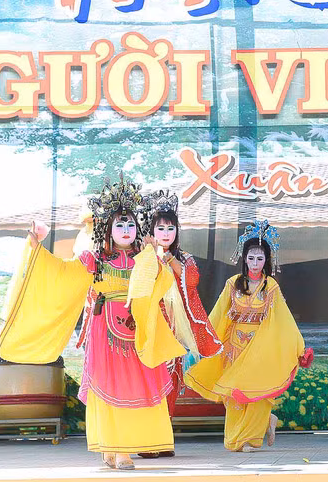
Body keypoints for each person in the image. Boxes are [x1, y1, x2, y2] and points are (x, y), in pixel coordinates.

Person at [0, 177, 183, 470]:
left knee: (134, 386)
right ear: (107, 228)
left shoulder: (143, 257)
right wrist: (36, 245)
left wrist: (153, 256)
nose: (126, 229)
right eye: (119, 224)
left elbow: (162, 284)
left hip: (138, 330)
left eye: (131, 224)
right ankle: (115, 448)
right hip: (105, 330)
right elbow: (61, 274)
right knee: (110, 386)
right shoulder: (94, 259)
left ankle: (122, 447)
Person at [184, 220, 313, 452]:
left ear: (267, 260)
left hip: (260, 348)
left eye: (259, 258)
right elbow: (217, 314)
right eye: (251, 258)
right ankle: (250, 431)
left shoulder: (270, 287)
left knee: (257, 391)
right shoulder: (233, 284)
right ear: (244, 258)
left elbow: (284, 319)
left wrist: (299, 347)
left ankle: (248, 440)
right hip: (234, 347)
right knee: (234, 396)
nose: (255, 263)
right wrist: (202, 340)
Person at [138, 190, 223, 458]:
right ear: (152, 231)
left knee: (172, 382)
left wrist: (169, 259)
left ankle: (163, 439)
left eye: (170, 228)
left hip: (176, 330)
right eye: (160, 228)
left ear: (177, 231)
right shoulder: (143, 255)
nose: (165, 233)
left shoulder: (183, 258)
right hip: (153, 326)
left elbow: (192, 280)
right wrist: (151, 255)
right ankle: (147, 440)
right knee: (151, 382)